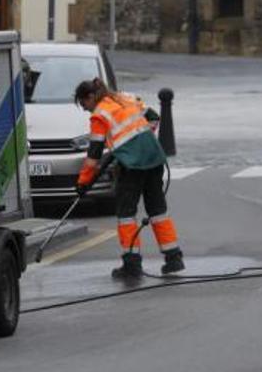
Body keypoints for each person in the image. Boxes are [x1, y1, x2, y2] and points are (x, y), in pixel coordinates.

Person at [74, 78, 184, 279]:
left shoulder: (99, 115)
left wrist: (83, 182)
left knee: (126, 214)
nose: (85, 110)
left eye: (84, 104)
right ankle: (174, 257)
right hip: (154, 157)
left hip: (132, 165)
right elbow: (153, 117)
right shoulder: (126, 98)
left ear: (90, 97)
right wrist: (139, 138)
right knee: (158, 209)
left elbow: (94, 155)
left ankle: (131, 264)